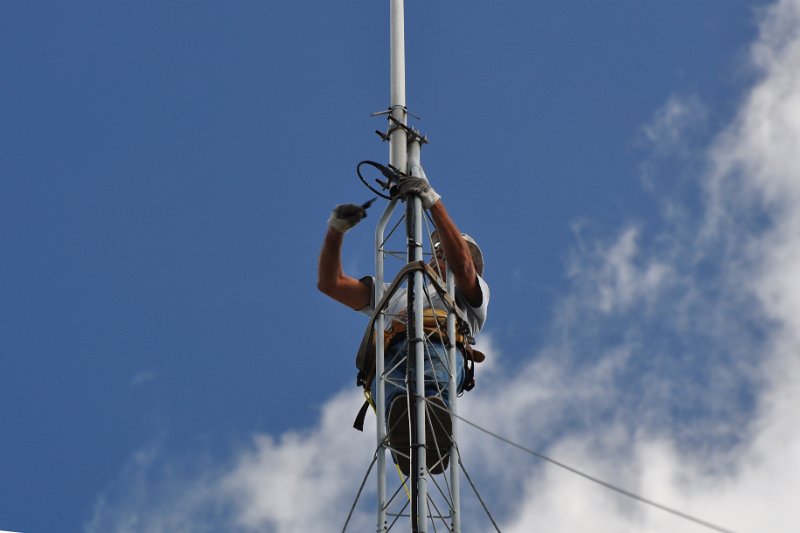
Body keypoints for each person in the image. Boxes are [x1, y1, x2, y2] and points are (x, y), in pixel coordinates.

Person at [317, 175, 489, 474]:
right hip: (389, 362)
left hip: (437, 350)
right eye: (436, 247)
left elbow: (461, 264)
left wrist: (432, 200)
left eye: (447, 247)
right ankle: (404, 432)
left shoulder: (470, 292)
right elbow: (330, 284)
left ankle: (432, 424)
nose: (439, 251)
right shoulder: (396, 292)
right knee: (398, 403)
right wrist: (336, 231)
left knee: (430, 393)